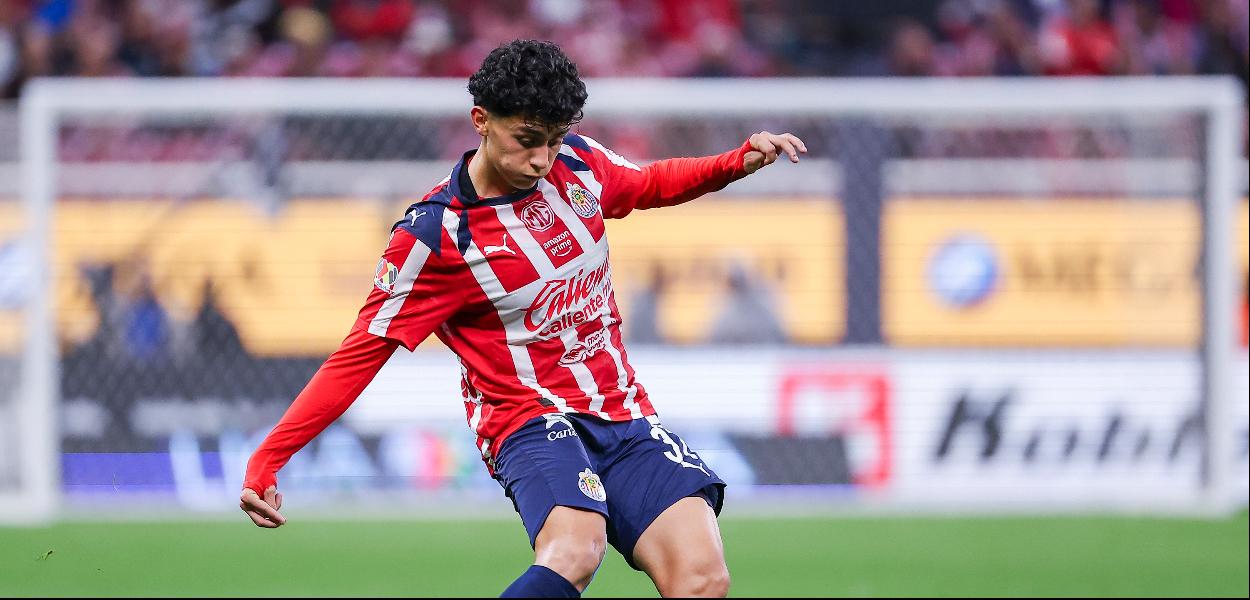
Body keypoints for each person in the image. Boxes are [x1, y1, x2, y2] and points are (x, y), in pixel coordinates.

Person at [239, 39, 806, 598]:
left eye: (554, 140)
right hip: (526, 418)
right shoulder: (435, 236)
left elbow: (649, 183)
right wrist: (269, 457)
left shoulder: (577, 164)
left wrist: (737, 161)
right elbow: (358, 356)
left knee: (702, 577)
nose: (542, 159)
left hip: (620, 410)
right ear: (481, 121)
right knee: (576, 549)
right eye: (528, 140)